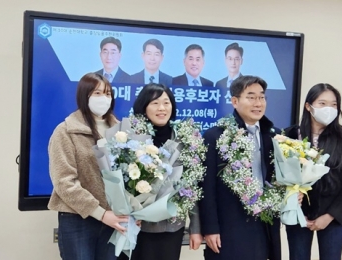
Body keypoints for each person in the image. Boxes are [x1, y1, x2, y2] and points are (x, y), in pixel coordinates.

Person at [48, 72, 131, 260]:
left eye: (108, 94)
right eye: (97, 93)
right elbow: (64, 182)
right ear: (84, 96)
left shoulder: (122, 131)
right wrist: (101, 214)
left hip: (115, 219)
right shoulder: (65, 131)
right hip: (79, 219)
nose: (104, 98)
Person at [199, 76, 282, 260]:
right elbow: (207, 187)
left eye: (261, 97)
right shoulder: (216, 136)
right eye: (251, 97)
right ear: (234, 101)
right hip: (230, 223)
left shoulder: (275, 135)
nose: (258, 103)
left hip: (264, 222)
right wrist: (210, 228)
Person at [118, 83, 203, 260]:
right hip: (137, 225)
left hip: (170, 226)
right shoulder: (130, 138)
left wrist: (196, 229)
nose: (162, 108)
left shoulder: (184, 139)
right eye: (155, 103)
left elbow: (192, 188)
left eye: (166, 102)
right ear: (144, 106)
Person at [284, 83, 342, 260]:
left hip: (334, 215)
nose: (329, 108)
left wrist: (329, 216)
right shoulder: (289, 136)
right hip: (299, 214)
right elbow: (279, 176)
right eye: (322, 103)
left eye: (334, 104)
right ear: (308, 106)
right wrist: (293, 206)